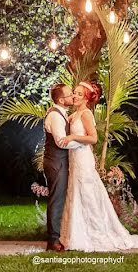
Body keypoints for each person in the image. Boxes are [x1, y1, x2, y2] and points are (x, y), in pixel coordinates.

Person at [57, 81, 138, 252]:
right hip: (75, 158)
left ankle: (95, 232)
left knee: (87, 193)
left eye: (78, 94)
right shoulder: (74, 115)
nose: (74, 96)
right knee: (75, 192)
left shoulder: (86, 114)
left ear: (86, 98)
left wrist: (73, 138)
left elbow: (93, 138)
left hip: (83, 158)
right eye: (74, 93)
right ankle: (75, 234)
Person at [42, 83, 82, 251]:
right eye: (69, 94)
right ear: (60, 99)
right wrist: (81, 143)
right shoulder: (56, 116)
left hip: (59, 161)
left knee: (59, 199)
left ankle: (59, 236)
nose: (72, 96)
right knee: (56, 200)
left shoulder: (62, 114)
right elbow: (60, 142)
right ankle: (53, 241)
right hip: (56, 162)